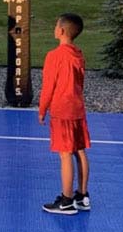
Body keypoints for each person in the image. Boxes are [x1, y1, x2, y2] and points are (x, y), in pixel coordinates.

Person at [39, 13, 91, 215]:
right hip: (78, 108)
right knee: (79, 150)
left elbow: (48, 86)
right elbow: (81, 83)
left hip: (62, 110)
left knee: (65, 154)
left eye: (55, 25)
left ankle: (67, 200)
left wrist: (42, 109)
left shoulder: (54, 56)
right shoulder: (79, 54)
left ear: (61, 31)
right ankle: (82, 196)